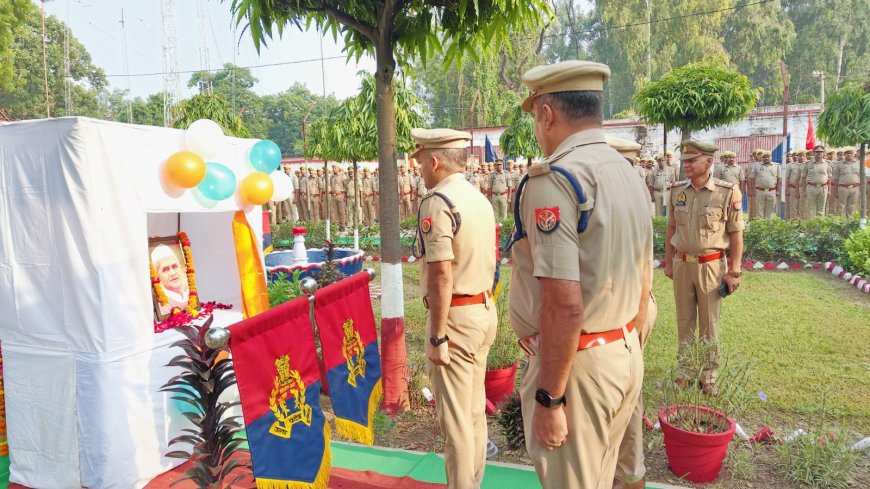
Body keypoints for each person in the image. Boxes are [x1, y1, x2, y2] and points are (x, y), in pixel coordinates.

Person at [510, 60, 649, 489]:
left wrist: (550, 397)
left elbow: (565, 305)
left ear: (547, 114)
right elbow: (644, 278)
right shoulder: (625, 171)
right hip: (621, 351)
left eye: (535, 117)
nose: (537, 128)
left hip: (578, 368)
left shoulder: (557, 179)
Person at [411, 127, 497, 489]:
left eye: (420, 162)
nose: (419, 170)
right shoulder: (478, 198)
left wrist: (437, 335)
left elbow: (441, 274)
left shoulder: (439, 201)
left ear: (434, 161)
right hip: (482, 310)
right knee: (474, 413)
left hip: (455, 318)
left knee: (458, 421)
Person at [665, 139, 744, 395]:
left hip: (711, 266)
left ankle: (709, 375)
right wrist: (669, 260)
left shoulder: (726, 191)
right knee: (684, 320)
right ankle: (685, 371)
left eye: (692, 161)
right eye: (685, 161)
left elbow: (736, 233)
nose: (686, 165)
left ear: (709, 162)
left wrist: (734, 269)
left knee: (709, 322)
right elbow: (671, 227)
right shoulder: (677, 191)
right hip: (682, 264)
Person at [606, 138, 658, 489]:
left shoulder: (617, 199)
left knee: (621, 395)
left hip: (625, 310)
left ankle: (623, 472)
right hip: (634, 305)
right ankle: (627, 470)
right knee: (627, 392)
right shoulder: (635, 195)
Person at [151, 244, 190, 315]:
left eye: (175, 266)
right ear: (157, 276)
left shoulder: (190, 292)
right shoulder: (161, 305)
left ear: (180, 268)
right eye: (165, 269)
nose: (172, 273)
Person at [802, 145, 831, 218]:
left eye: (821, 152)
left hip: (823, 188)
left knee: (821, 209)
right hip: (811, 188)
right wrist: (804, 190)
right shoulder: (808, 164)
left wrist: (829, 190)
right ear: (813, 153)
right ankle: (811, 226)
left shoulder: (827, 163)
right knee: (810, 208)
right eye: (817, 152)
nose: (819, 153)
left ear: (823, 153)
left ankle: (820, 226)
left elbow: (829, 178)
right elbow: (803, 177)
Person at [749, 150, 779, 219]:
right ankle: (760, 226)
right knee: (759, 210)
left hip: (772, 191)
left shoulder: (776, 166)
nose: (766, 158)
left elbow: (779, 179)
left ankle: (767, 225)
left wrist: (778, 190)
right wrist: (753, 190)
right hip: (759, 191)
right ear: (762, 158)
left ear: (771, 157)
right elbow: (752, 179)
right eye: (764, 157)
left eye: (768, 157)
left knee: (770, 210)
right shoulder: (756, 166)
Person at [834, 147, 861, 217]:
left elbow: (860, 176)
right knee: (841, 206)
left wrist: (860, 189)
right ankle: (841, 223)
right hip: (843, 188)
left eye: (851, 153)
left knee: (852, 206)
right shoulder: (839, 164)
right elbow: (836, 178)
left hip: (855, 188)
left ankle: (850, 223)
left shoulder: (858, 163)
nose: (849, 155)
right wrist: (835, 190)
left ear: (853, 154)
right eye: (847, 153)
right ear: (844, 154)